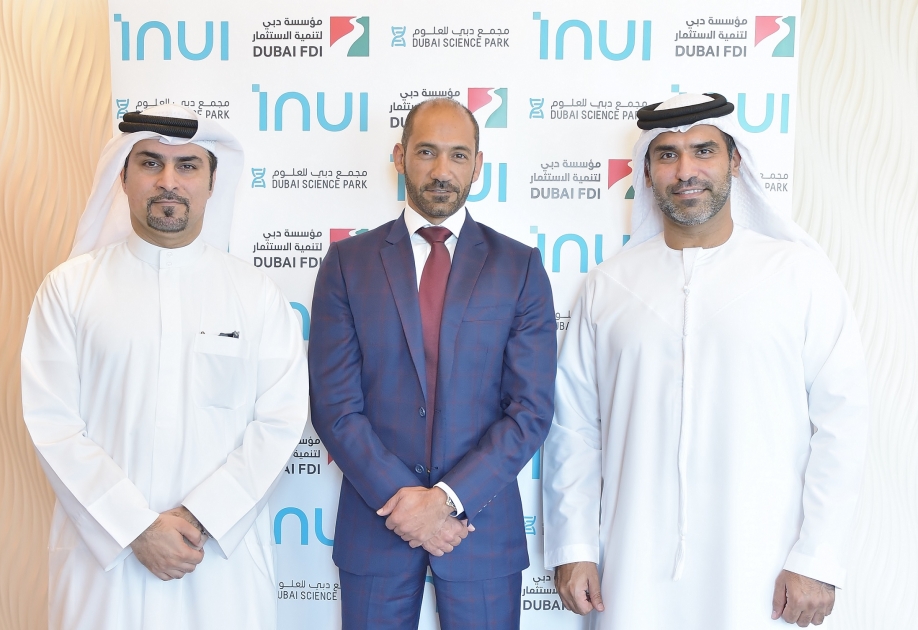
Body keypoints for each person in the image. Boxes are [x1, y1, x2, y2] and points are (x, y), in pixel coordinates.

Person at [543, 93, 870, 629]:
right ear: (647, 172)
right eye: (667, 155)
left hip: (763, 570)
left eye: (703, 151)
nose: (685, 170)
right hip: (632, 568)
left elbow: (842, 423)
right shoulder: (610, 285)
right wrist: (574, 546)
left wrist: (817, 557)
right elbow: (575, 428)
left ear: (735, 161)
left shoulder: (798, 274)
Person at [21, 105, 308, 630]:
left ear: (212, 183)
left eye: (188, 166)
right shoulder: (69, 289)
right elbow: (53, 423)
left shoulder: (256, 296)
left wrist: (200, 518)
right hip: (104, 567)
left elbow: (280, 421)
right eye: (150, 163)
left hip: (217, 565)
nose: (168, 181)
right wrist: (135, 527)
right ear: (123, 177)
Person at [309, 97, 557, 628]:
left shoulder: (519, 267)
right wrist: (405, 505)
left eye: (458, 155)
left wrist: (447, 499)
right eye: (426, 152)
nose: (442, 170)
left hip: (481, 529)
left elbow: (530, 409)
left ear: (478, 165)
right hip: (377, 526)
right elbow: (334, 406)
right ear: (400, 157)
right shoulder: (348, 264)